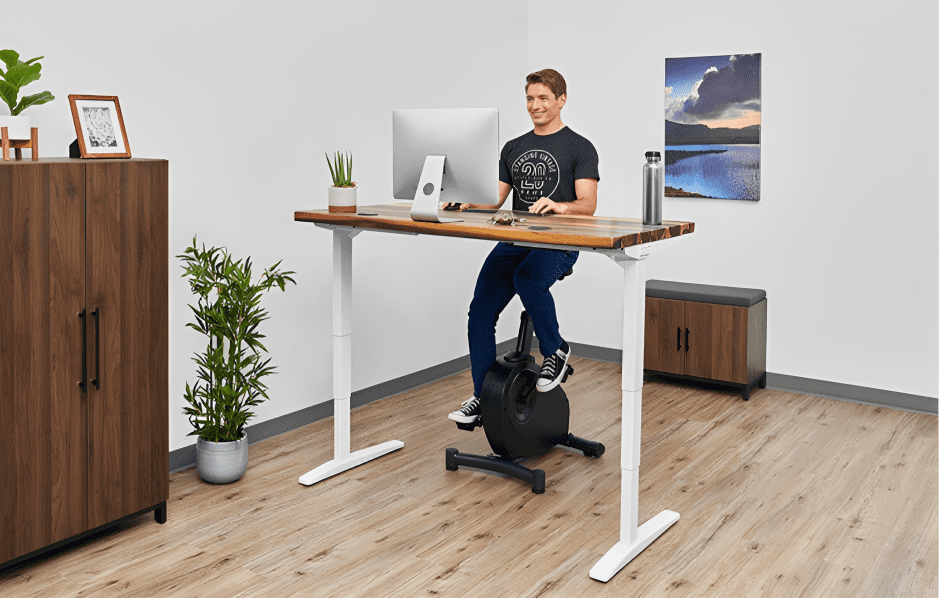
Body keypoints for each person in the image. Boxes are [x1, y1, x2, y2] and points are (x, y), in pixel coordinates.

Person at [448, 68, 600, 425]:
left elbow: (588, 204)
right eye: (530, 98)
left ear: (561, 100)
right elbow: (496, 200)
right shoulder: (513, 147)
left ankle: (555, 350)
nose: (535, 105)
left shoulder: (580, 147)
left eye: (543, 98)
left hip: (559, 241)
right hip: (517, 237)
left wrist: (560, 206)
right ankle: (482, 396)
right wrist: (467, 202)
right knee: (480, 312)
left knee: (528, 279)